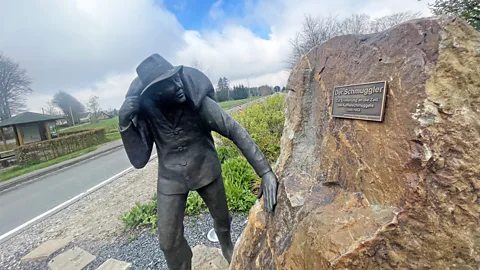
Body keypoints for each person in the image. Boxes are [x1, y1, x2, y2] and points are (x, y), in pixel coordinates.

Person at [118, 54, 277, 270]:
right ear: (154, 93)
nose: (178, 84)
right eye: (169, 84)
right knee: (168, 242)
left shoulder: (197, 100)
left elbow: (234, 130)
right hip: (170, 179)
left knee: (222, 221)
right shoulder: (147, 113)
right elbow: (139, 160)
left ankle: (227, 247)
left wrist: (265, 172)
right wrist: (125, 124)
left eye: (177, 78)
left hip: (205, 169)